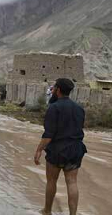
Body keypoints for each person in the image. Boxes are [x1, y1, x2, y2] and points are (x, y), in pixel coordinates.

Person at [34, 78, 87, 215]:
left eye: (53, 88)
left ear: (58, 90)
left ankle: (47, 211)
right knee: (72, 182)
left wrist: (39, 150)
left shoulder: (54, 107)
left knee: (51, 181)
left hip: (57, 150)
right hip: (75, 149)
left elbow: (48, 135)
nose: (52, 90)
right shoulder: (79, 109)